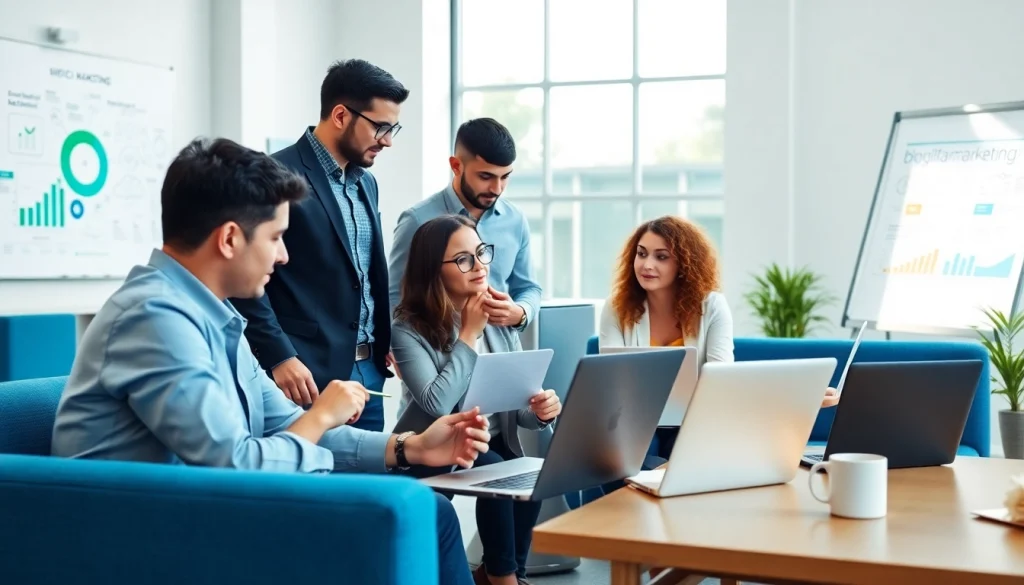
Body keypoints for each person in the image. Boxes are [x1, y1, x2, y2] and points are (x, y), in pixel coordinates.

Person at [51, 138, 488, 585]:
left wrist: (410, 448)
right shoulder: (154, 318)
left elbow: (281, 427)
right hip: (139, 538)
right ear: (229, 239)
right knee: (403, 518)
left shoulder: (213, 314)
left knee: (426, 512)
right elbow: (237, 468)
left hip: (201, 515)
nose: (283, 255)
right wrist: (319, 416)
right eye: (276, 237)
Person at [231, 59, 408, 432]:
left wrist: (381, 334)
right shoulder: (274, 175)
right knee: (317, 486)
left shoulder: (365, 183)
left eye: (394, 128)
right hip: (305, 373)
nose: (388, 140)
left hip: (369, 374)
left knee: (367, 484)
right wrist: (279, 356)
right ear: (341, 115)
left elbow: (363, 272)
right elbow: (244, 278)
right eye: (381, 127)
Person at [391, 214, 562, 585]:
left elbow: (517, 408)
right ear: (433, 270)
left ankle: (502, 571)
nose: (480, 266)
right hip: (434, 443)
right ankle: (503, 578)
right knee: (498, 465)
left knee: (532, 471)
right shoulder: (408, 329)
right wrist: (468, 335)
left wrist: (541, 411)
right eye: (464, 259)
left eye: (481, 253)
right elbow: (436, 403)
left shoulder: (498, 318)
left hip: (491, 438)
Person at [599, 216, 840, 467]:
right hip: (635, 420)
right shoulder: (617, 307)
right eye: (641, 254)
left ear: (683, 263)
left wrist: (800, 394)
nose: (647, 264)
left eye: (661, 256)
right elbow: (613, 384)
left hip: (696, 420)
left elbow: (723, 382)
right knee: (626, 460)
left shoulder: (712, 306)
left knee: (691, 458)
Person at [388, 118, 541, 334]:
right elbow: (395, 296)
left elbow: (529, 287)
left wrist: (521, 312)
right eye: (485, 176)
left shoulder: (515, 219)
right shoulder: (417, 220)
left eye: (505, 177)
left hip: (504, 353)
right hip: (440, 358)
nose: (497, 188)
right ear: (456, 166)